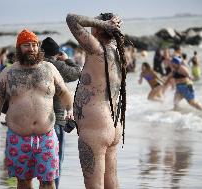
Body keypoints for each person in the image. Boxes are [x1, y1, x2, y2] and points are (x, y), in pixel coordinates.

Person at [0, 29, 74, 189]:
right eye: (27, 45)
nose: (32, 48)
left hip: (47, 137)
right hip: (18, 138)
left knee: (48, 182)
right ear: (19, 48)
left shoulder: (49, 68)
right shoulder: (8, 73)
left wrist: (69, 110)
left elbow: (64, 92)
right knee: (23, 182)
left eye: (35, 45)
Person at [66, 13, 127, 188]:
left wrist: (103, 24)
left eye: (95, 25)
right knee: (111, 180)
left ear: (100, 28)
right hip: (113, 125)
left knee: (94, 185)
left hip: (96, 128)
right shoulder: (117, 52)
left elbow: (71, 19)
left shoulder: (96, 49)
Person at [41, 36, 81, 188]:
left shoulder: (35, 65)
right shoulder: (58, 66)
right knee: (55, 160)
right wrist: (68, 59)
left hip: (35, 120)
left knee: (39, 160)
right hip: (56, 121)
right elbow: (79, 72)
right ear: (57, 54)